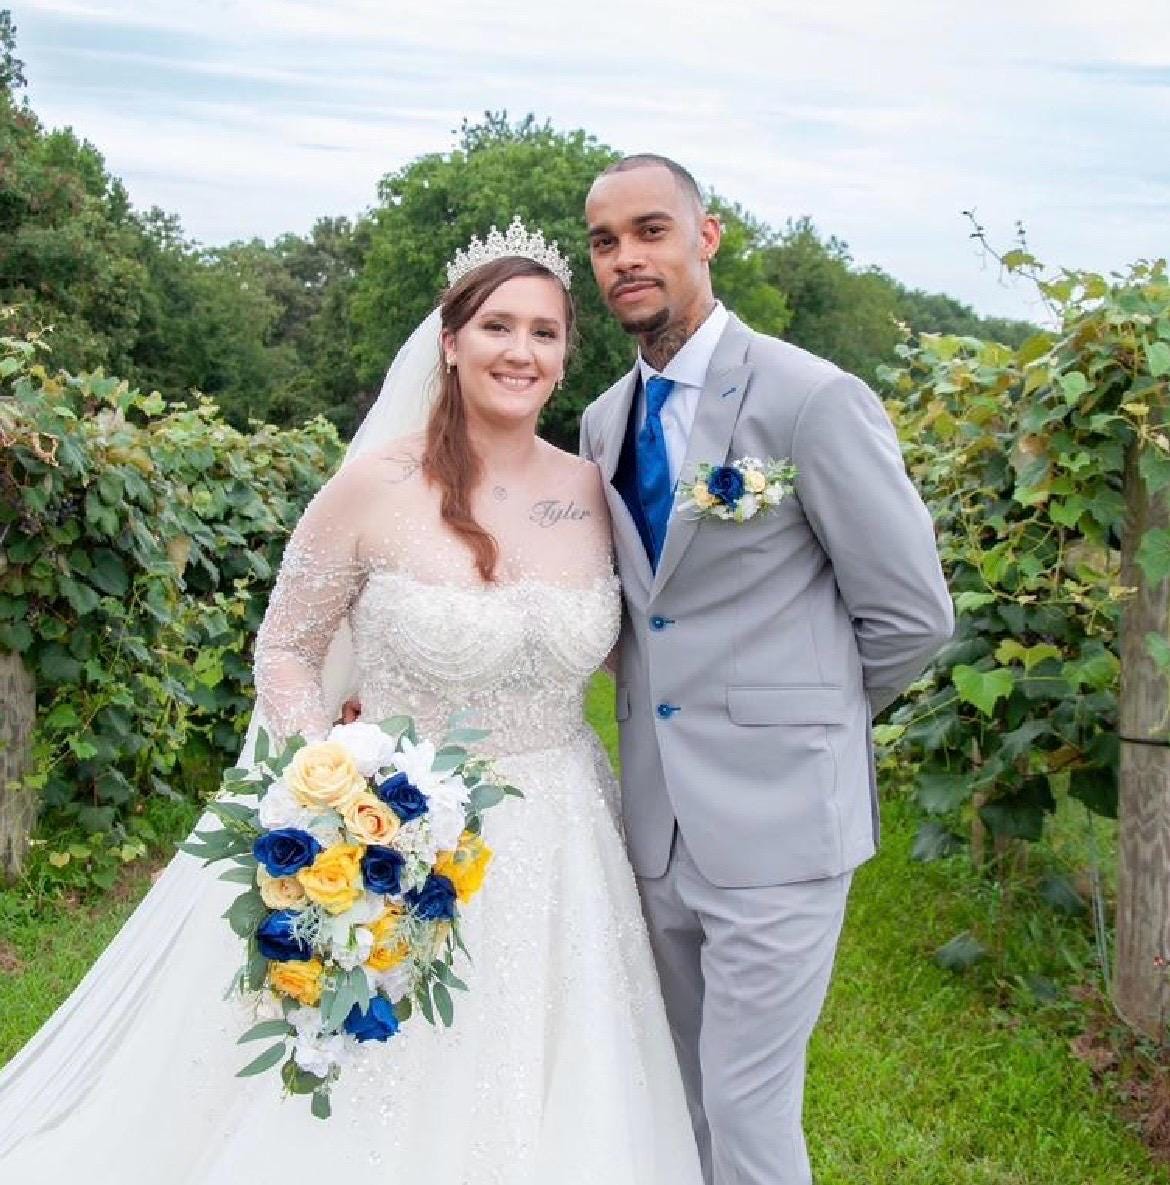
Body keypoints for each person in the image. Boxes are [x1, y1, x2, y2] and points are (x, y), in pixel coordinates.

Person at [0, 223, 705, 1183]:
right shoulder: (373, 485)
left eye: (545, 332)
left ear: (566, 353)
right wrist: (328, 793)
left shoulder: (590, 487)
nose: (522, 351)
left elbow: (643, 649)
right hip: (403, 824)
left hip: (567, 828)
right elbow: (287, 646)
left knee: (560, 1060)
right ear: (450, 342)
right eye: (498, 325)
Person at [579, 155, 954, 1185]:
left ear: (708, 236)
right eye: (604, 242)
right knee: (685, 1095)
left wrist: (807, 724)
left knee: (748, 1113)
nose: (625, 259)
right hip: (657, 828)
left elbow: (912, 615)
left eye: (650, 230)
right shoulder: (603, 422)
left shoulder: (811, 399)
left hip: (783, 824)